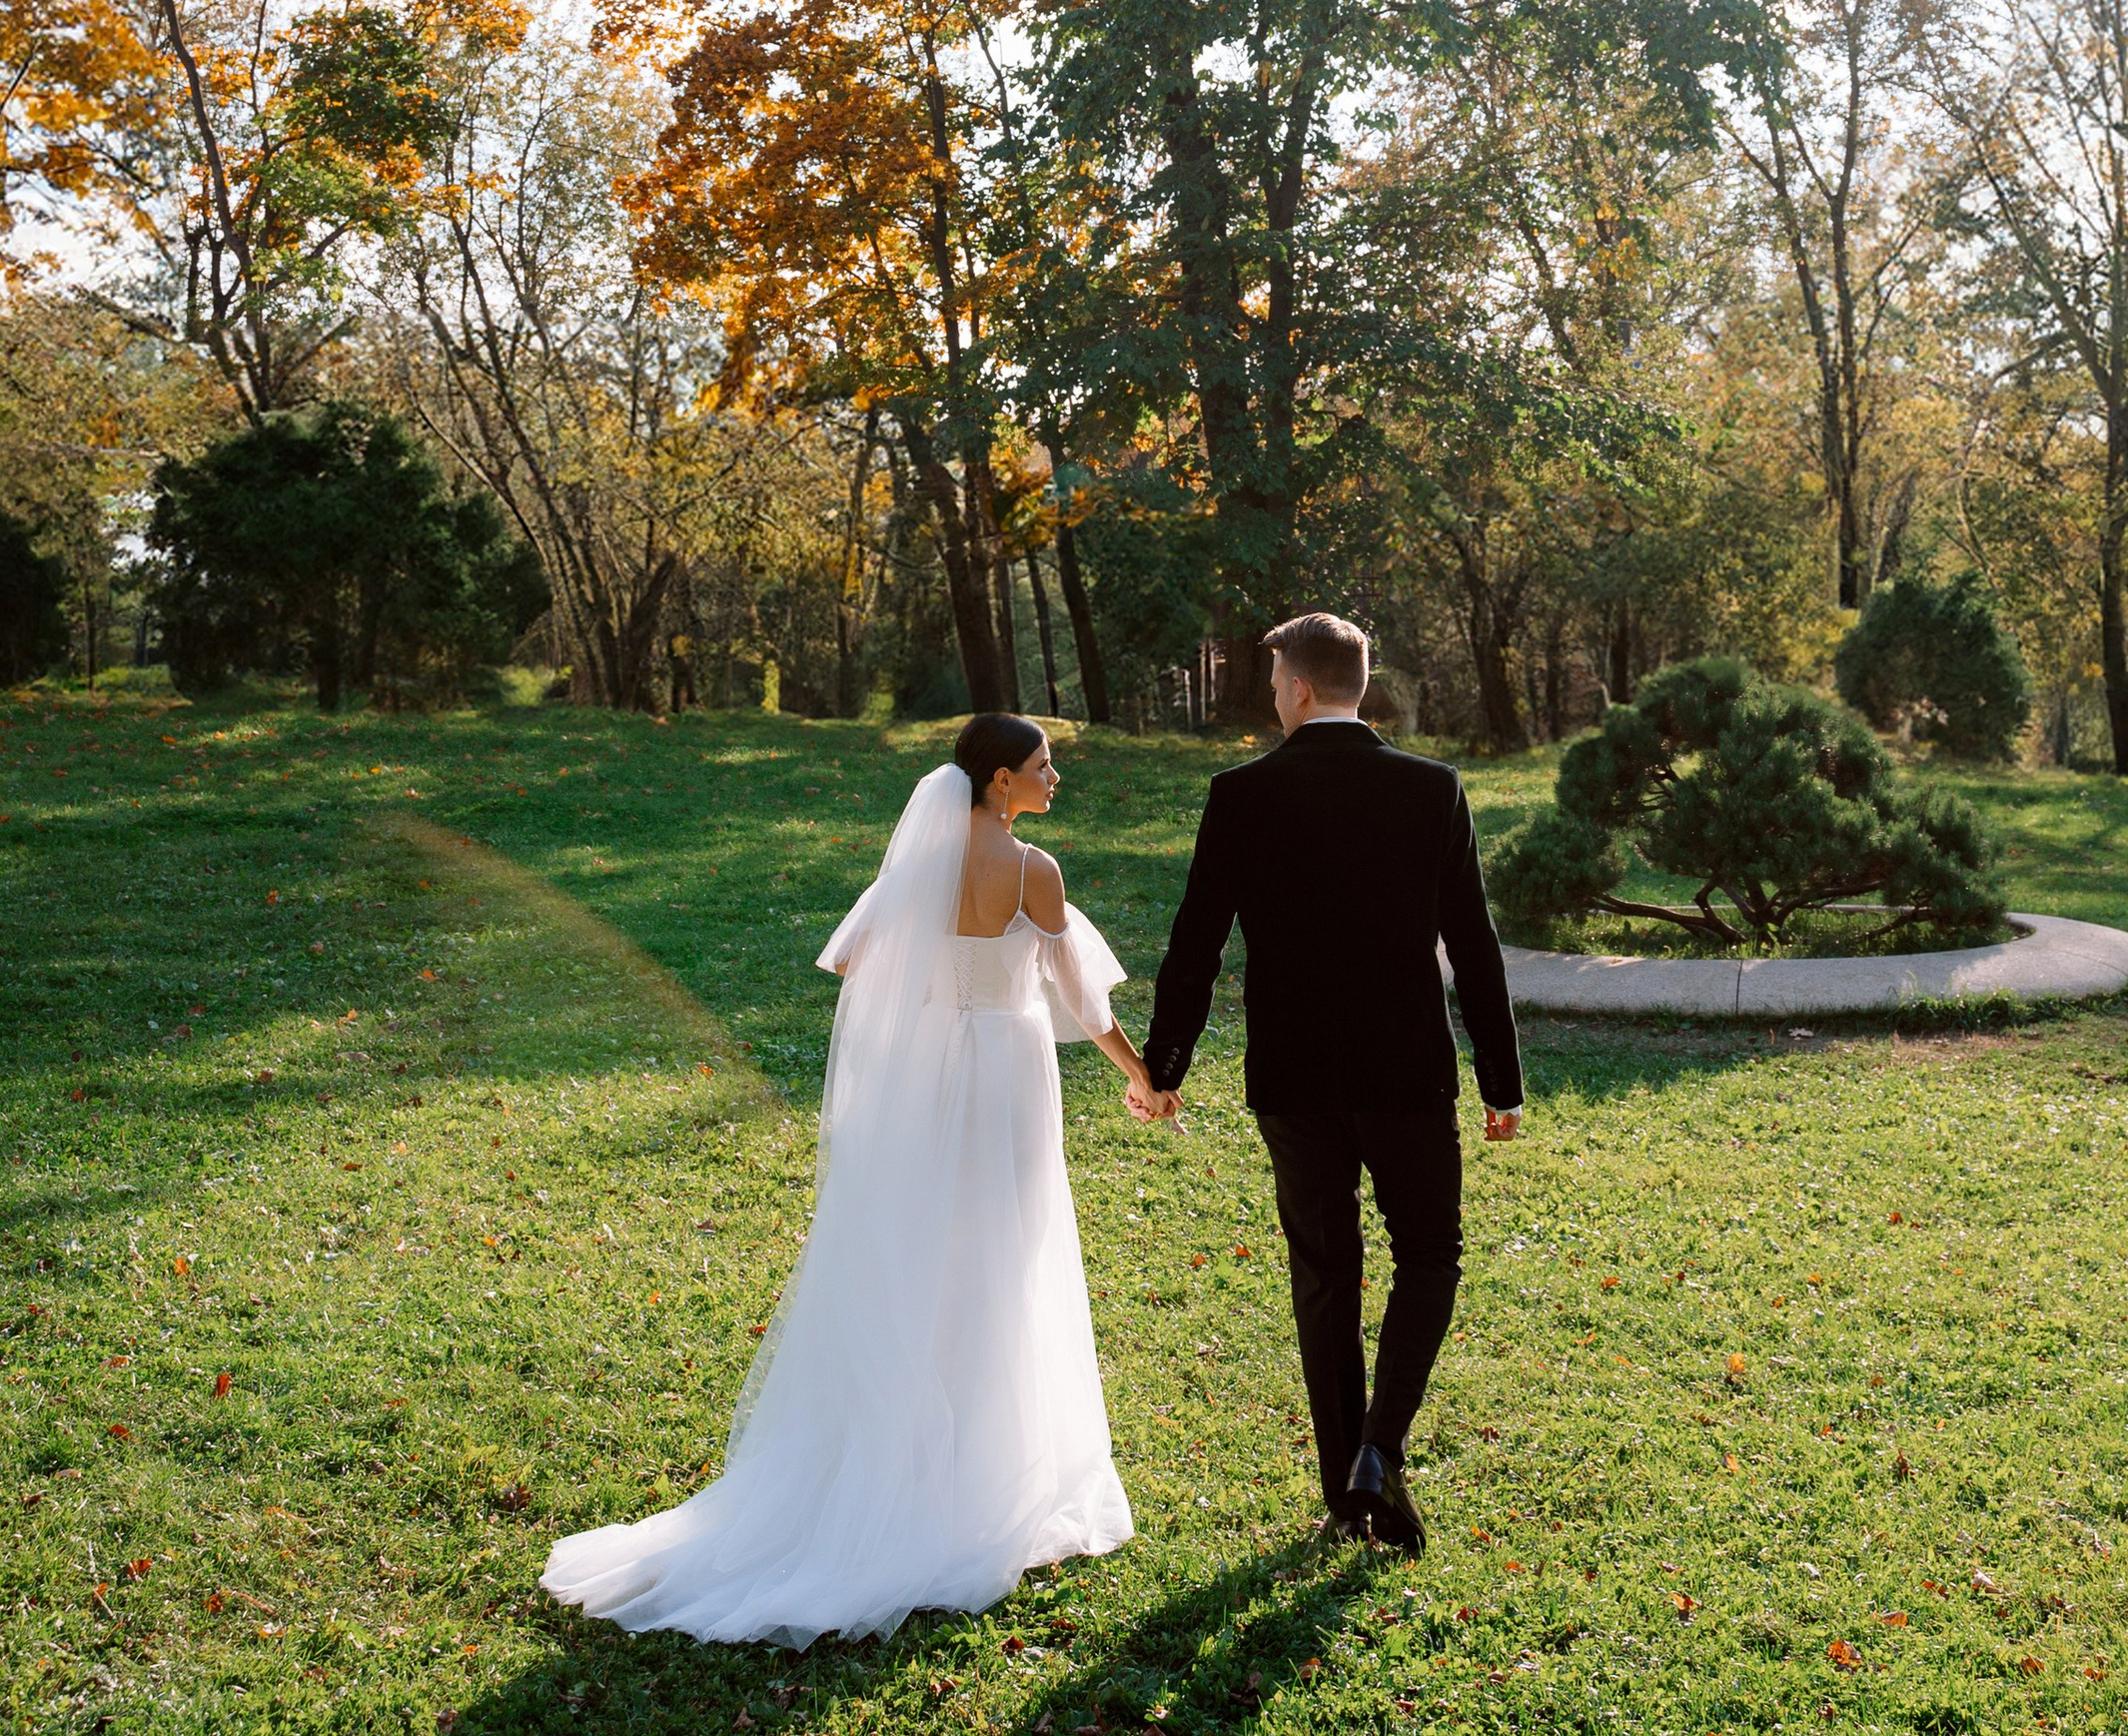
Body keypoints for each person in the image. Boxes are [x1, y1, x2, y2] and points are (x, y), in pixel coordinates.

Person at [541, 716, 1157, 1648]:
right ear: (999, 781)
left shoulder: (918, 866)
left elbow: (853, 959)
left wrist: (927, 1005)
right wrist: (1141, 1075)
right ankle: (986, 1476)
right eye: (1041, 766)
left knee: (927, 1254)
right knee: (1003, 1255)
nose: (1054, 777)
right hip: (1003, 1074)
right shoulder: (1035, 871)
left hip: (934, 1079)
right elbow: (1082, 1000)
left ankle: (913, 1453)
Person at [1136, 612, 1524, 1554]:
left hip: (1293, 1074)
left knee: (1325, 1275)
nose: (1272, 695)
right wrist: (1500, 1080)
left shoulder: (1240, 794)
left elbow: (1196, 942)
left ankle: (1347, 1486)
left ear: (1302, 688)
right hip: (1406, 1071)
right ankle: (1378, 1454)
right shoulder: (1432, 788)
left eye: (1274, 682)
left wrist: (1165, 1065)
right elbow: (1471, 944)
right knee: (1429, 1253)